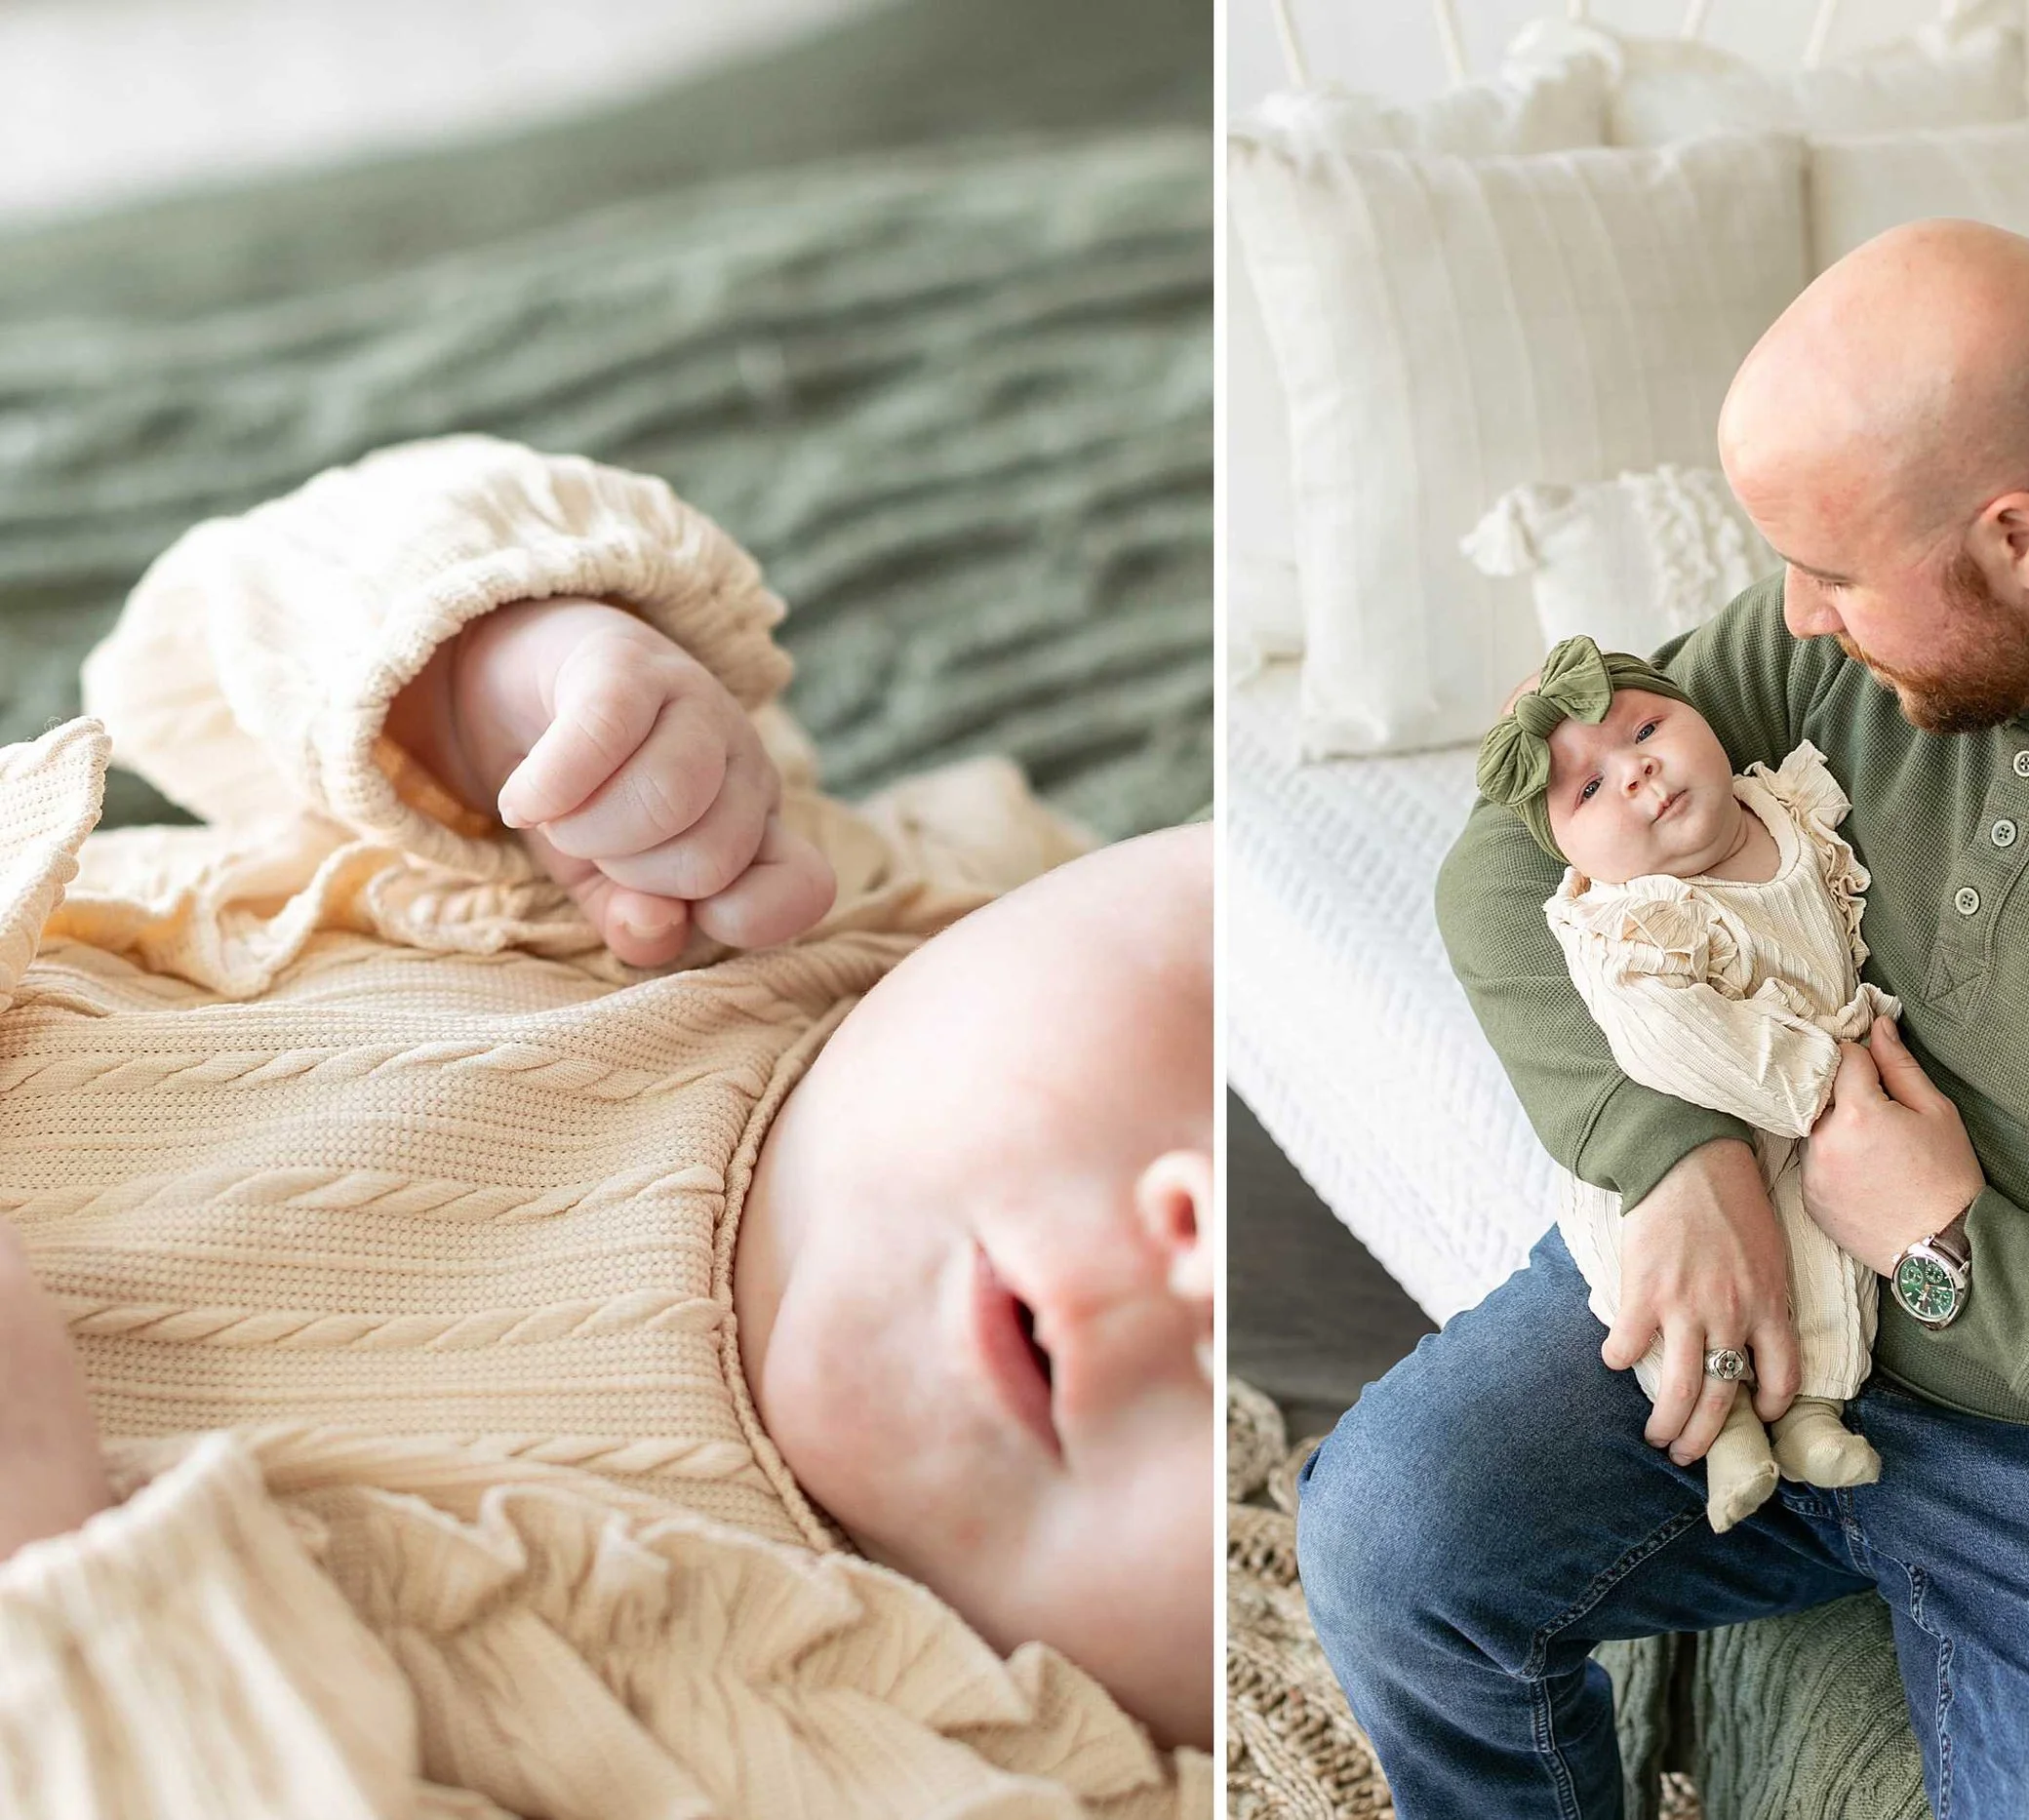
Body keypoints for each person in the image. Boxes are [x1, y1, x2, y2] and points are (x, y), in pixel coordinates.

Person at [1296, 218, 2029, 1820]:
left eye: (1831, 574)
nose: (1797, 618)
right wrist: (1674, 1150)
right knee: (1385, 1534)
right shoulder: (1863, 636)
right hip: (1760, 1280)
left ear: (2019, 540)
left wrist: (1950, 1253)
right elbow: (1510, 848)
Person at [0, 436, 1213, 1817]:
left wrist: (49, 1554)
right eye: (1258, 1078)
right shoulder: (769, 886)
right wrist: (493, 678)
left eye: (1323, 1406)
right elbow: (227, 611)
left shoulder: (950, 1770)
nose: (1208, 1231)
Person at [1474, 638, 1894, 1534]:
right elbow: (1674, 1036)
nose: (1636, 772)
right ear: (1566, 849)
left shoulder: (1786, 806)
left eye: (1646, 730)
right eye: (1590, 789)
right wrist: (1824, 1080)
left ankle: (1813, 1413)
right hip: (1720, 1112)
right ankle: (1729, 1431)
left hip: (1809, 1126)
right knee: (1679, 1301)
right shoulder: (1632, 921)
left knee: (1831, 1256)